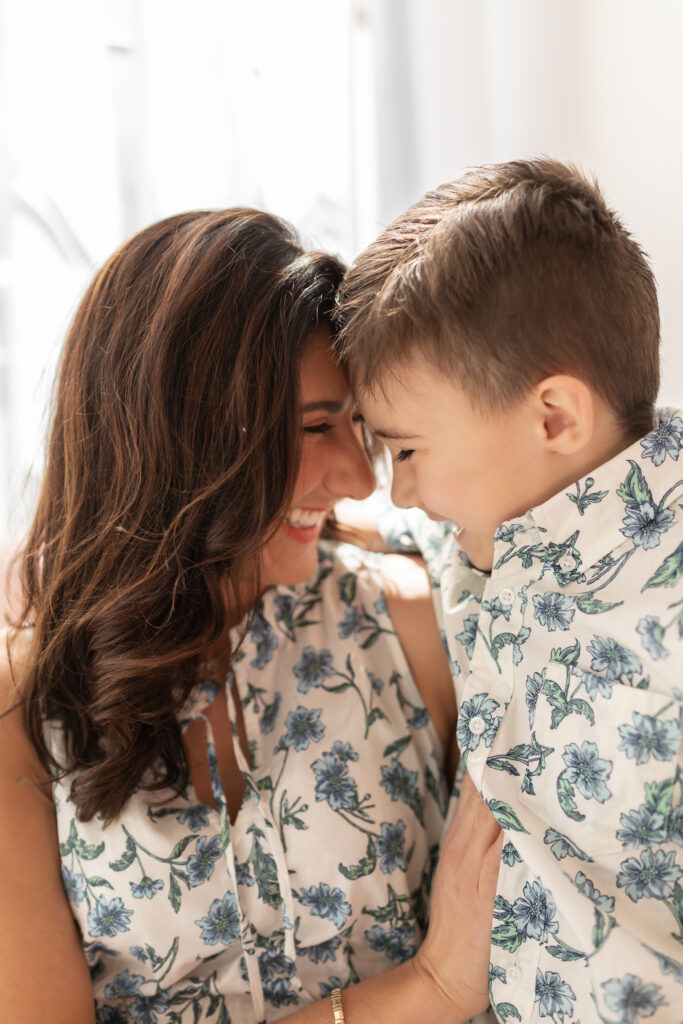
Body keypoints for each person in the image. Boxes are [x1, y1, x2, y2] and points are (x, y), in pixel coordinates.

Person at [0, 209, 502, 1024]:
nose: (356, 476)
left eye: (358, 426)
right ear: (183, 441)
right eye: (312, 429)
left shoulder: (412, 629)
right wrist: (432, 986)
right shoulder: (25, 716)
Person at [335, 158, 683, 1023]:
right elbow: (411, 528)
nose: (397, 490)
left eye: (406, 451)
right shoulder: (490, 525)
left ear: (555, 418)